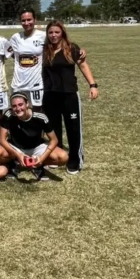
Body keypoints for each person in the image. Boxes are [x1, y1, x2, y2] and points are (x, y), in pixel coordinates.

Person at [42, 20, 99, 175]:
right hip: (50, 95)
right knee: (53, 129)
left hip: (69, 95)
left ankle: (75, 160)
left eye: (57, 32)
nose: (53, 35)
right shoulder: (44, 50)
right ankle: (57, 157)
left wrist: (93, 85)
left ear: (62, 33)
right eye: (51, 32)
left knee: (73, 129)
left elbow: (83, 65)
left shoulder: (71, 48)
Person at [8, 9, 85, 109]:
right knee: (18, 113)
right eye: (23, 20)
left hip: (37, 84)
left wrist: (79, 50)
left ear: (35, 20)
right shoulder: (15, 38)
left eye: (29, 19)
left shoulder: (43, 36)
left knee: (38, 114)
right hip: (18, 84)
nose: (26, 23)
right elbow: (12, 55)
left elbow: (61, 44)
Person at [0, 91, 68, 181]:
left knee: (63, 157)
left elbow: (54, 140)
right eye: (14, 106)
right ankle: (13, 164)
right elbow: (2, 140)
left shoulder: (40, 117)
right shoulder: (8, 115)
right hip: (16, 148)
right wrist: (18, 155)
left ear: (27, 104)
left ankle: (38, 165)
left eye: (21, 104)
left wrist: (42, 158)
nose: (18, 108)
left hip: (36, 147)